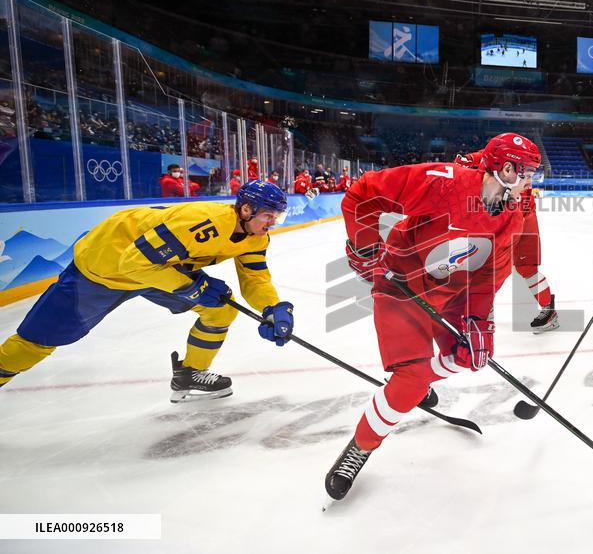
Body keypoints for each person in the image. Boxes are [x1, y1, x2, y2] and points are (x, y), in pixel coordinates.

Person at [325, 133, 540, 501]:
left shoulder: (512, 214)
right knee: (410, 380)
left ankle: (421, 382)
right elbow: (364, 193)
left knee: (471, 354)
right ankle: (361, 445)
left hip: (455, 288)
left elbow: (492, 272)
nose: (531, 182)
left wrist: (478, 321)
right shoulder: (446, 182)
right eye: (527, 173)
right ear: (505, 170)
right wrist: (364, 248)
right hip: (401, 282)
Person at [0, 181, 295, 401]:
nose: (273, 223)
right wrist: (194, 288)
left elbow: (256, 279)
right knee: (39, 339)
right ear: (246, 209)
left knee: (222, 308)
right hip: (105, 267)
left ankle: (189, 374)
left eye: (277, 218)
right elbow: (133, 263)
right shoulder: (202, 224)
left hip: (155, 267)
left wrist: (273, 308)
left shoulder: (255, 238)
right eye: (270, 216)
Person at [456, 150, 558, 332]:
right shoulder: (495, 165)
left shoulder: (497, 166)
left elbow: (485, 157)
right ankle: (482, 312)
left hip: (521, 215)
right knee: (493, 266)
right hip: (512, 213)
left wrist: (470, 159)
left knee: (501, 268)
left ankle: (482, 318)